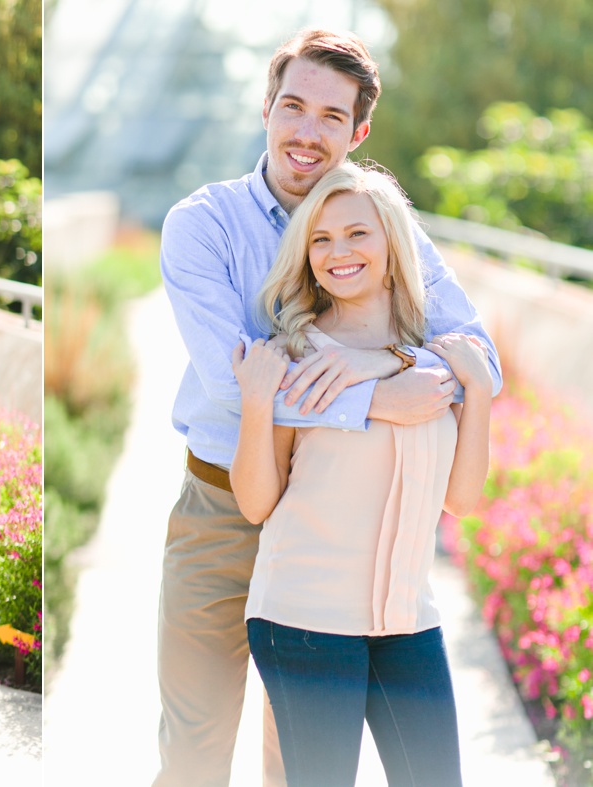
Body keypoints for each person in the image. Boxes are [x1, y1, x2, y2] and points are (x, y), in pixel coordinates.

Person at [156, 28, 502, 786]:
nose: (308, 133)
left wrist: (383, 364)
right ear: (267, 109)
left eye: (332, 117)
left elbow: (478, 352)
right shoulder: (202, 223)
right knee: (194, 750)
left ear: (359, 132)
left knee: (303, 768)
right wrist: (380, 399)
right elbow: (231, 381)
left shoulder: (383, 224)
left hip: (336, 529)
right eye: (293, 107)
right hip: (222, 509)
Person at [233, 162, 491, 786]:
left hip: (407, 620)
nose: (337, 253)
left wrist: (478, 390)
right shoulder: (297, 353)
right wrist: (258, 403)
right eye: (320, 239)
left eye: (357, 234)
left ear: (393, 245)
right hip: (304, 619)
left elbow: (462, 500)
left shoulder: (441, 360)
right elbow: (257, 503)